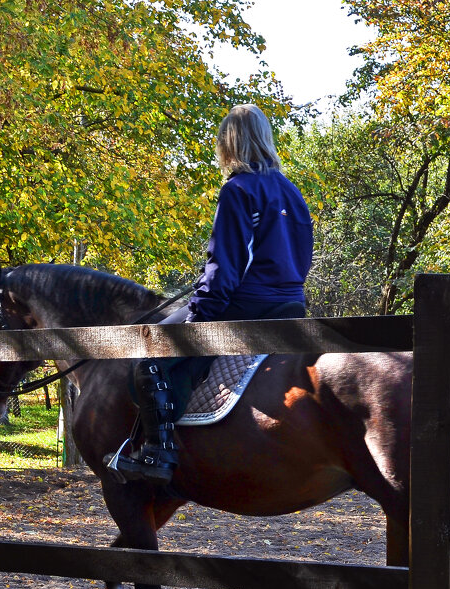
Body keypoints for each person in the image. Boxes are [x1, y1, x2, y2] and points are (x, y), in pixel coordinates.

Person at [108, 104, 313, 485]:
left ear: (229, 142)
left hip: (244, 303)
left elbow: (227, 263)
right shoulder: (292, 191)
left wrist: (201, 312)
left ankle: (158, 453)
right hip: (289, 304)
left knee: (150, 355)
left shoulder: (238, 190)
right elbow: (301, 257)